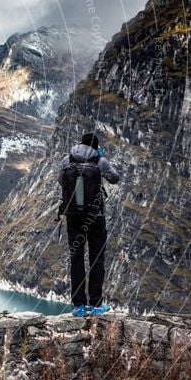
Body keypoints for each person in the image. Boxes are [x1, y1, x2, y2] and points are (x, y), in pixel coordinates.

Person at [58, 132, 120, 317]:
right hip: (95, 217)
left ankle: (78, 306)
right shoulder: (99, 161)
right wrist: (102, 158)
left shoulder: (67, 160)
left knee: (76, 259)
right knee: (96, 259)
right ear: (96, 146)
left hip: (73, 217)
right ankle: (95, 304)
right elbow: (114, 178)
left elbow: (61, 182)